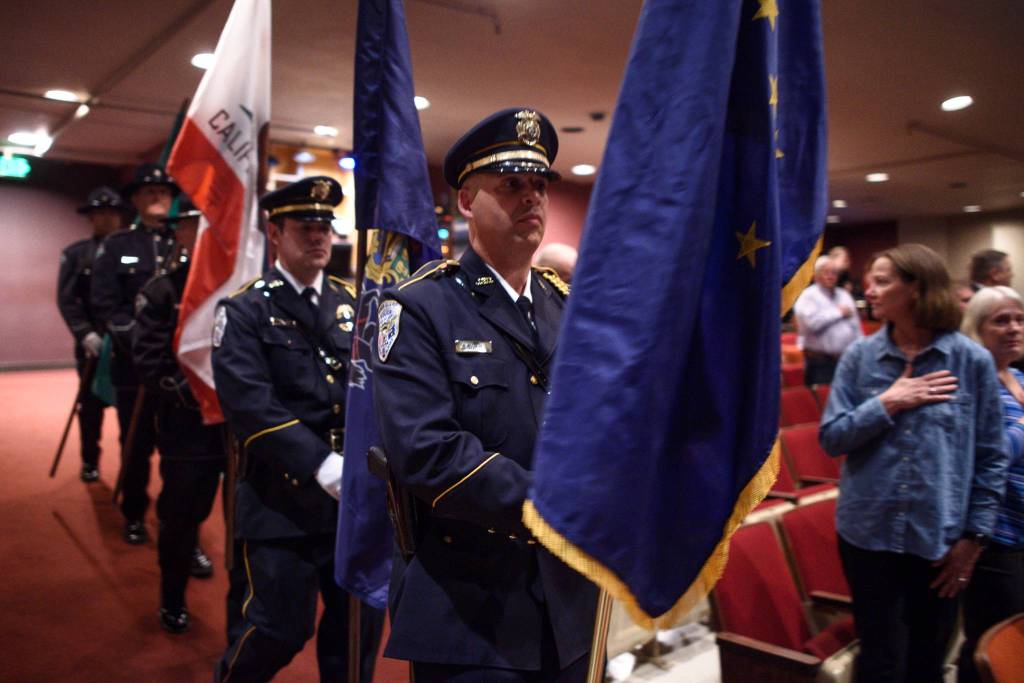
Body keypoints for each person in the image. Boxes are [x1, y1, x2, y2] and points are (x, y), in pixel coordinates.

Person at [372, 108, 597, 682]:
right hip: (470, 608)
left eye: (539, 185)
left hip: (568, 599)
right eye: (511, 184)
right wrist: (555, 504)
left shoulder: (562, 305)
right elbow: (428, 451)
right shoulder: (419, 307)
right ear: (468, 201)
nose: (532, 198)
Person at [212, 176, 383, 682]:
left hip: (352, 501)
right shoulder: (244, 309)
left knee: (355, 638)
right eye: (306, 227)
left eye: (325, 227)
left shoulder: (354, 303)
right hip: (280, 500)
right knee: (276, 630)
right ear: (275, 232)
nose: (319, 237)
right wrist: (319, 462)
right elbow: (249, 406)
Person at [819, 243, 1009, 683]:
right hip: (868, 535)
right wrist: (887, 402)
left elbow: (991, 456)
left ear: (917, 289)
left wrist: (974, 539)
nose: (869, 289)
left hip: (939, 540)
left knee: (927, 657)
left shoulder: (971, 361)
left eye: (882, 281)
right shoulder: (860, 358)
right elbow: (831, 438)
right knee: (881, 661)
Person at [132, 200, 221, 633]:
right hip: (188, 424)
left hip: (238, 423)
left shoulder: (240, 285)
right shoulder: (164, 289)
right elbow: (149, 361)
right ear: (180, 234)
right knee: (182, 512)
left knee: (243, 516)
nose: (201, 231)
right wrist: (198, 394)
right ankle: (172, 593)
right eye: (191, 225)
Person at [91, 164, 180, 545]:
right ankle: (133, 513)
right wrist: (144, 342)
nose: (157, 196)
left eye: (163, 191)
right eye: (148, 192)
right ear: (136, 200)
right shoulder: (118, 245)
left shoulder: (187, 240)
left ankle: (180, 530)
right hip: (134, 366)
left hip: (180, 370)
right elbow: (107, 303)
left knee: (180, 455)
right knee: (136, 444)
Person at [957, 286, 1024, 683]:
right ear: (976, 329)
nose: (1014, 328)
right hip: (993, 532)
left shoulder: (1018, 376)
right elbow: (987, 452)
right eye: (1000, 320)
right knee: (992, 639)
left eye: (1018, 319)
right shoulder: (971, 384)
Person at [57, 186, 124, 482]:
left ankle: (130, 465)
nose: (105, 219)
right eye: (99, 213)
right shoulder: (76, 254)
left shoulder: (133, 250)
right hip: (92, 345)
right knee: (90, 407)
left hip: (126, 344)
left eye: (111, 213)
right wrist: (85, 334)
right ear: (91, 217)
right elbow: (67, 298)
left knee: (129, 409)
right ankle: (89, 460)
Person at [794, 255, 862, 385]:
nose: (831, 276)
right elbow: (811, 324)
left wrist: (861, 351)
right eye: (826, 272)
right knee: (822, 401)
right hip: (820, 362)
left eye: (834, 272)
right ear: (817, 275)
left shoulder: (844, 295)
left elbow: (856, 327)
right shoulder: (808, 296)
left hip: (845, 360)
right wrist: (838, 312)